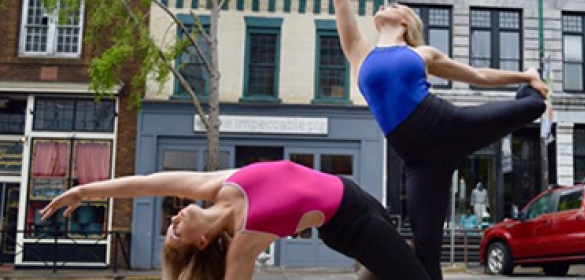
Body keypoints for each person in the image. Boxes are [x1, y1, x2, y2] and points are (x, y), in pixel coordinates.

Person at [332, 1, 549, 279]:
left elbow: (477, 75)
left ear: (404, 22)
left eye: (395, 5)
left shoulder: (422, 54)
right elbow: (342, 5)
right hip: (419, 162)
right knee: (426, 252)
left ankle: (528, 88)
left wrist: (524, 75)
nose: (387, 4)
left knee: (534, 105)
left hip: (449, 126)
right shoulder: (360, 52)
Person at [40, 160, 430, 280]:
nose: (173, 220)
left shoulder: (216, 184)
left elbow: (146, 183)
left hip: (357, 196)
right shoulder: (245, 240)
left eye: (169, 224)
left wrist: (83, 192)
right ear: (202, 242)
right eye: (176, 232)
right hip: (353, 227)